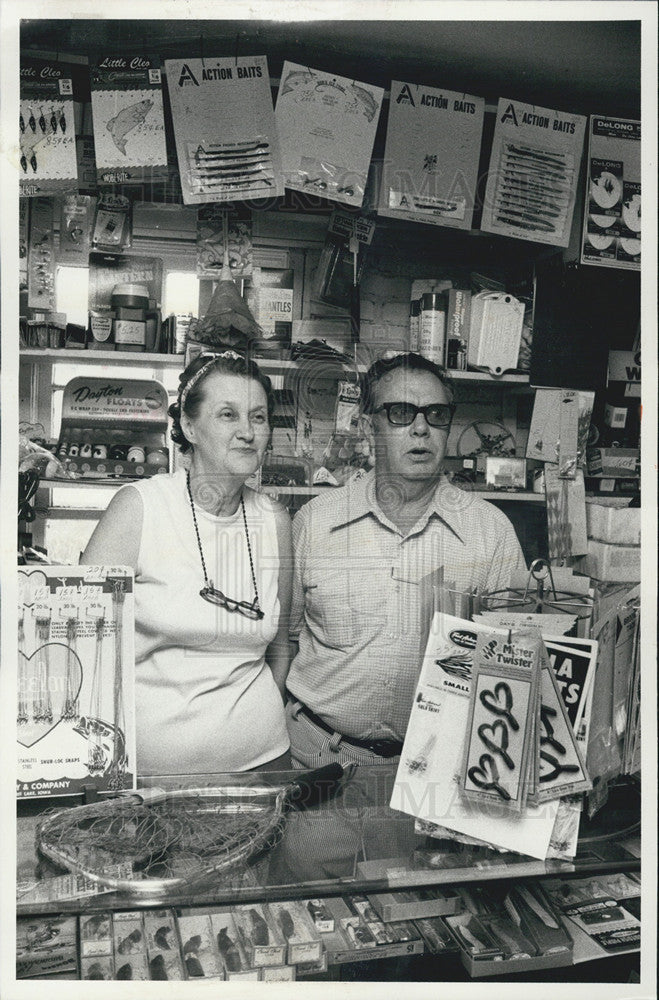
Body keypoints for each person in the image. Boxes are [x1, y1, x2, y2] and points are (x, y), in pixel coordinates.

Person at [285, 352, 527, 768]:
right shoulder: (314, 523)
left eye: (436, 414)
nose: (421, 428)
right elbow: (285, 641)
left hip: (438, 766)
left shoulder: (490, 532)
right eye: (400, 413)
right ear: (367, 427)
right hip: (318, 760)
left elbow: (518, 661)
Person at [81, 348, 292, 775]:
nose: (248, 432)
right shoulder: (139, 509)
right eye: (228, 415)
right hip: (151, 776)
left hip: (265, 764)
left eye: (259, 416)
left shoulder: (276, 521)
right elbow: (83, 645)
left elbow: (280, 645)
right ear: (190, 427)